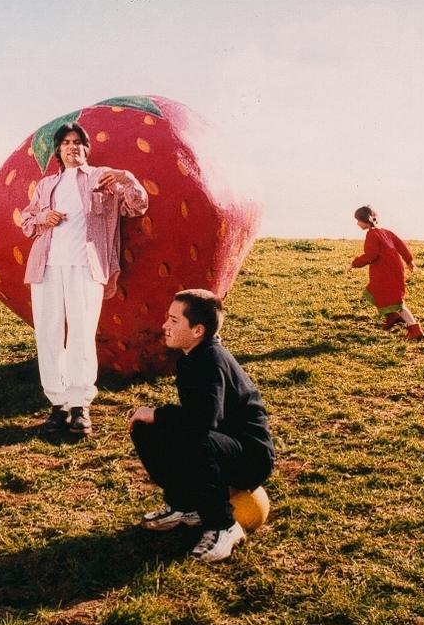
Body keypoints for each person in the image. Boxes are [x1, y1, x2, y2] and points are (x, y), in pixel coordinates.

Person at [21, 122, 148, 435]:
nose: (72, 147)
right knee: (48, 333)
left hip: (86, 266)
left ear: (86, 148)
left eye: (78, 142)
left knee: (81, 333)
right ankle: (57, 405)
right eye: (65, 143)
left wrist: (128, 179)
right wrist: (42, 218)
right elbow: (26, 221)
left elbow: (137, 206)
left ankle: (80, 406)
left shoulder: (102, 177)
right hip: (46, 267)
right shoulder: (46, 184)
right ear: (58, 151)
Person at [129, 289, 274, 563]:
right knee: (146, 428)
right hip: (222, 444)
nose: (164, 326)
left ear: (197, 330)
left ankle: (224, 526)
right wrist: (155, 419)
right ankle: (185, 506)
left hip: (251, 458)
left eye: (174, 320)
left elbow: (203, 422)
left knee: (190, 436)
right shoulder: (192, 355)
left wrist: (159, 413)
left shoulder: (210, 360)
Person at [348, 205, 424, 340]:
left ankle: (414, 329)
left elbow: (371, 255)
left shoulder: (371, 234)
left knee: (397, 303)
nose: (357, 223)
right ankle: (391, 316)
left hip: (385, 272)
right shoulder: (386, 232)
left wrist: (354, 264)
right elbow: (401, 245)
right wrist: (409, 261)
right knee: (373, 292)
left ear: (365, 220)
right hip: (393, 270)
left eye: (358, 220)